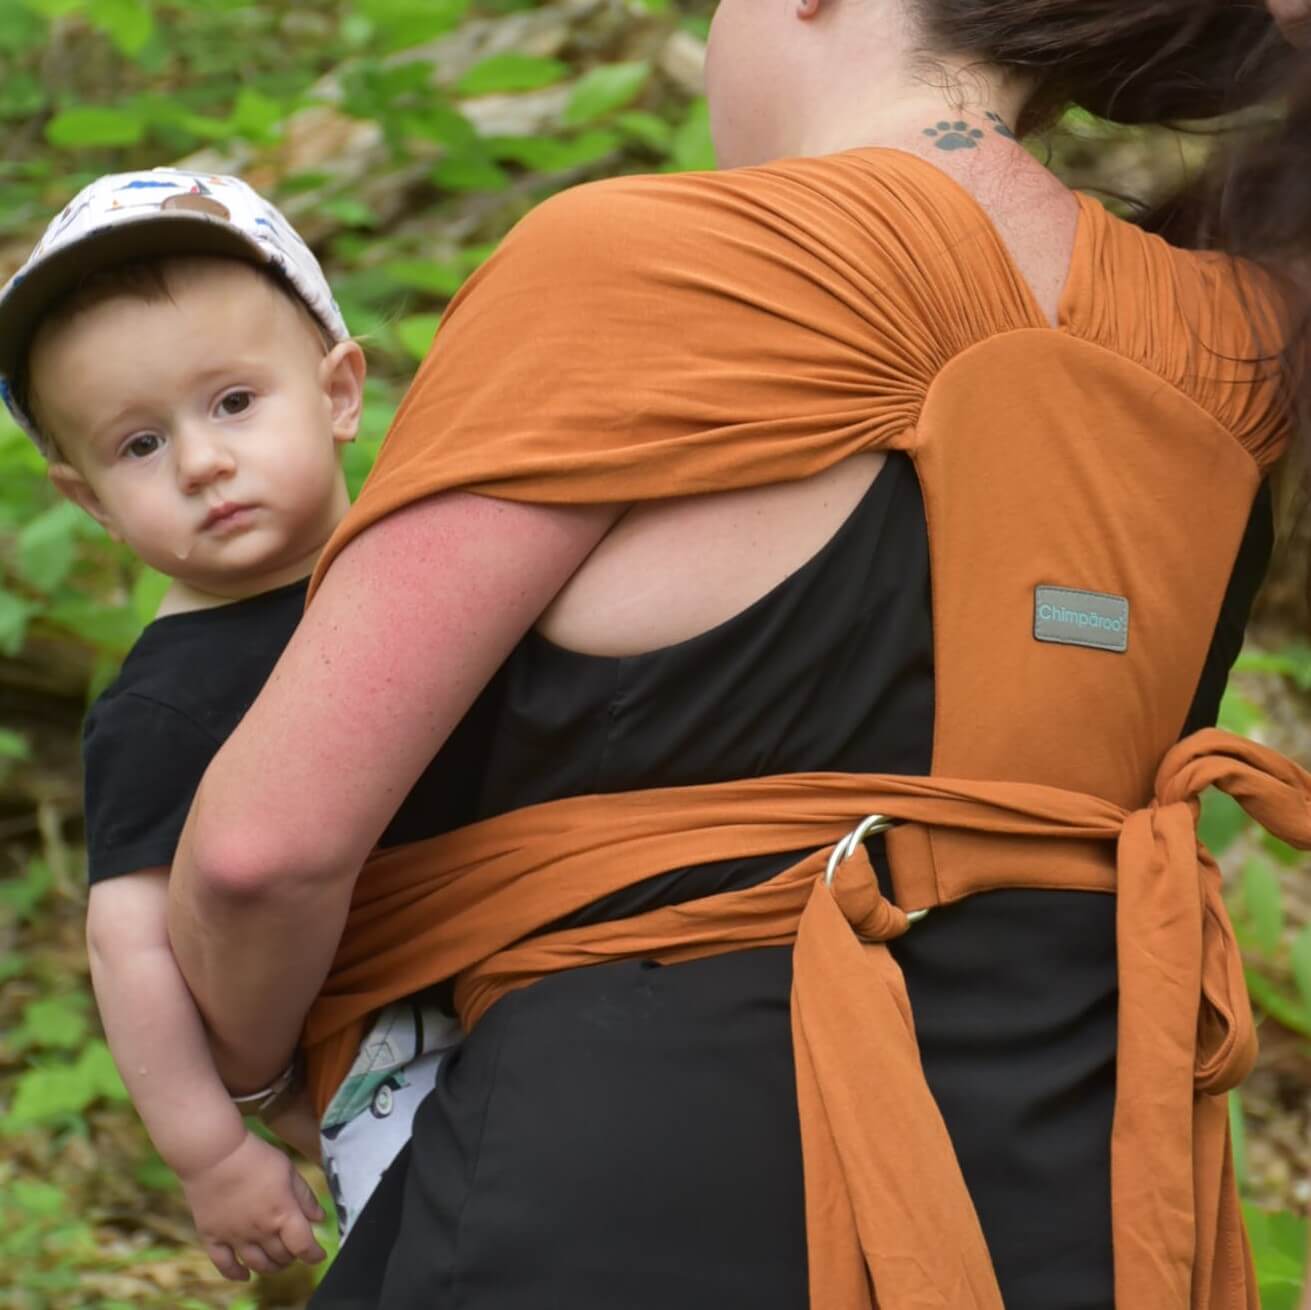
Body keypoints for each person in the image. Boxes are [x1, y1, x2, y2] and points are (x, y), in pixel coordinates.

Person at [164, 1, 1311, 1307]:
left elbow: (262, 855)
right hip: (1081, 1205)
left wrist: (267, 1076)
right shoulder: (1233, 350)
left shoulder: (642, 264)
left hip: (613, 1204)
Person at [0, 171, 469, 1280]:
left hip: (561, 946)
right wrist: (213, 1148)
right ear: (91, 504)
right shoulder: (170, 703)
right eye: (138, 446)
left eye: (232, 403)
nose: (203, 461)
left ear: (339, 390)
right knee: (452, 1257)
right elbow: (131, 939)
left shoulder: (449, 559)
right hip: (387, 1035)